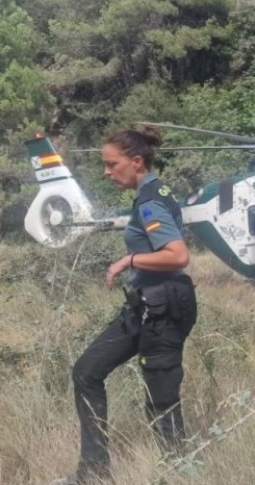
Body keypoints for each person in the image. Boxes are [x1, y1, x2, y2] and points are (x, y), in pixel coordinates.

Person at [54, 128, 197, 485]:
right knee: (87, 371)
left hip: (164, 307)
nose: (106, 171)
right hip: (144, 306)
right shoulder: (150, 193)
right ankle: (94, 472)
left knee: (161, 400)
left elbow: (178, 255)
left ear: (136, 162)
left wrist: (128, 260)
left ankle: (178, 473)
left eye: (111, 164)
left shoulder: (150, 200)